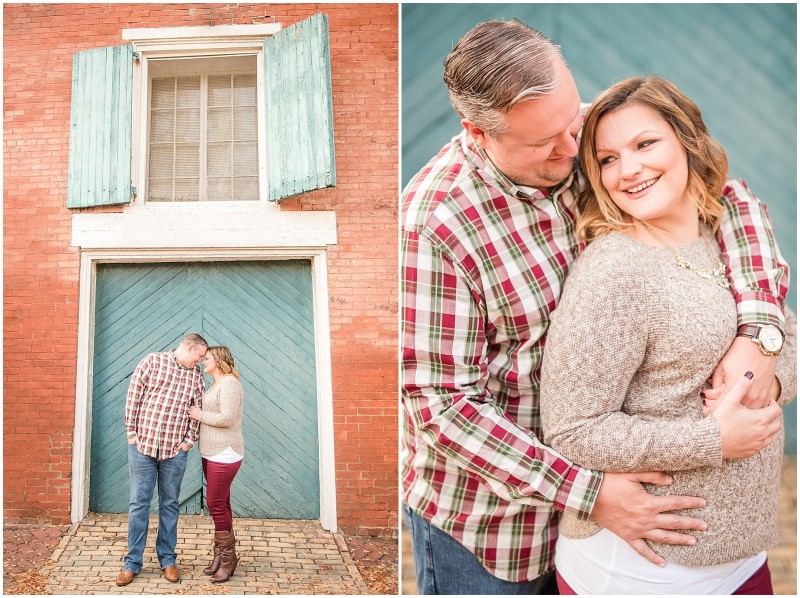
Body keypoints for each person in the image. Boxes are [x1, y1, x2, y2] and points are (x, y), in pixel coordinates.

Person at [400, 19, 790, 594]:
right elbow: (438, 406)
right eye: (541, 143)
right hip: (492, 521)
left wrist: (758, 332)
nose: (572, 150)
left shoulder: (583, 134)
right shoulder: (434, 224)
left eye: (571, 121)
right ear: (477, 132)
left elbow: (726, 198)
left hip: (614, 506)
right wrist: (589, 491)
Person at [539, 75, 796, 595]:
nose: (628, 170)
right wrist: (713, 440)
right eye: (607, 159)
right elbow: (572, 431)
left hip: (740, 560)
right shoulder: (615, 271)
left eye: (644, 144)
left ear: (687, 139)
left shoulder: (722, 235)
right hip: (641, 571)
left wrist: (765, 362)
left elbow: (788, 338)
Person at [116, 333, 208, 586]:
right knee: (139, 504)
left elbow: (197, 410)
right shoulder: (152, 362)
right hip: (142, 447)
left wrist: (188, 442)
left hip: (174, 452)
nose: (201, 360)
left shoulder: (195, 375)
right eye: (200, 355)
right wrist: (131, 434)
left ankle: (168, 560)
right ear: (189, 348)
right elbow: (133, 399)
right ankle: (132, 563)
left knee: (169, 505)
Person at [188, 345, 245, 583]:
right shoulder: (215, 384)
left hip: (225, 452)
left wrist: (197, 414)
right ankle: (220, 556)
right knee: (223, 503)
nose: (203, 361)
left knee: (214, 503)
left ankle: (229, 559)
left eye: (207, 358)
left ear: (219, 360)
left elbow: (227, 418)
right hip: (211, 452)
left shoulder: (230, 383)